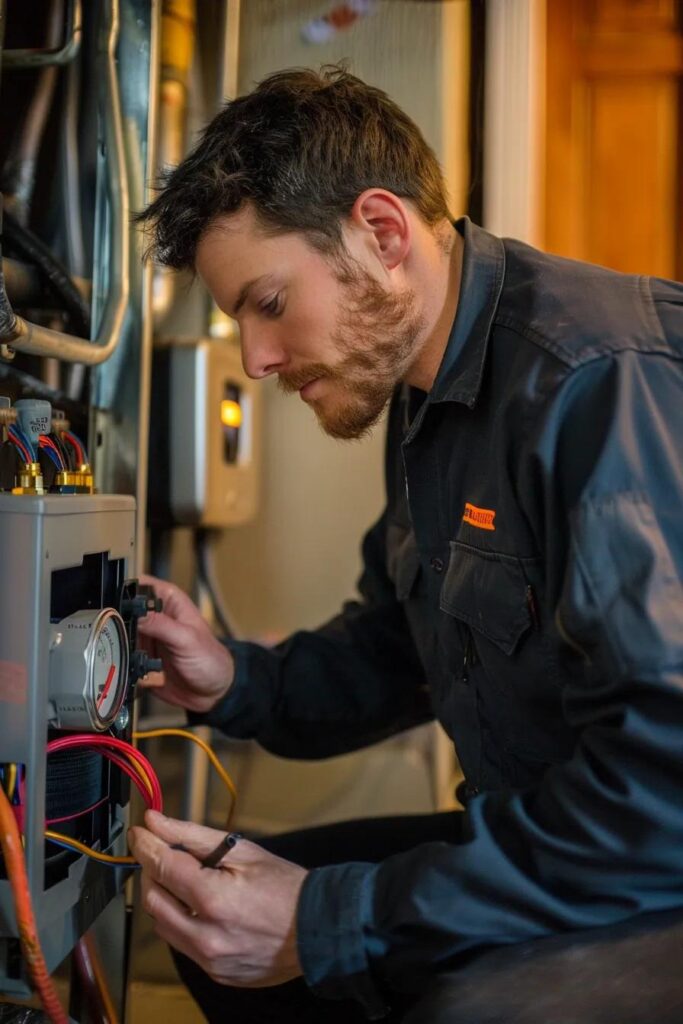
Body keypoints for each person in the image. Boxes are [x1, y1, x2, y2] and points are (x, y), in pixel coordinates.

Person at [128, 66, 683, 1023]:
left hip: (646, 865)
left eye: (267, 302)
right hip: (553, 836)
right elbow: (400, 652)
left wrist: (328, 917)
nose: (255, 361)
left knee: (453, 1002)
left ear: (380, 234)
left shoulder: (593, 383)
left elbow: (662, 793)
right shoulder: (426, 393)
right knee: (212, 929)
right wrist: (233, 683)